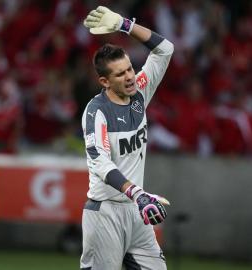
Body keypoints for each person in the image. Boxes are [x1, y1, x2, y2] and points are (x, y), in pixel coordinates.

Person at [80, 6, 174, 270]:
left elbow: (165, 49)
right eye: (120, 74)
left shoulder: (139, 93)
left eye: (130, 68)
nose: (130, 77)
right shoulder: (96, 111)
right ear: (104, 81)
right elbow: (101, 163)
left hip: (136, 212)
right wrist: (138, 194)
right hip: (105, 212)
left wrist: (124, 25)